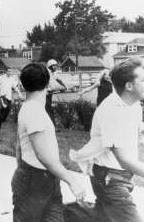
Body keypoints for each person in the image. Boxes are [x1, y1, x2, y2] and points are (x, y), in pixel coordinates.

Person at [69, 58, 144, 222]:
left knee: (102, 217)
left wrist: (140, 132)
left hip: (120, 176)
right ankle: (64, 212)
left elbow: (125, 140)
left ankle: (66, 213)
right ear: (129, 86)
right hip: (110, 179)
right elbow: (125, 160)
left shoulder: (135, 106)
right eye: (143, 80)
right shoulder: (111, 111)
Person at [11, 62, 86, 222]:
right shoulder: (35, 111)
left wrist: (21, 172)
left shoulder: (28, 107)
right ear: (47, 82)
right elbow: (43, 156)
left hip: (42, 178)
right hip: (35, 178)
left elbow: (19, 147)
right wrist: (73, 181)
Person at [46, 59, 67, 129]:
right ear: (50, 66)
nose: (56, 67)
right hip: (45, 94)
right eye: (54, 66)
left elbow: (58, 80)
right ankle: (52, 127)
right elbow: (53, 86)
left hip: (49, 94)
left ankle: (52, 127)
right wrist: (61, 88)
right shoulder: (47, 73)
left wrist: (64, 86)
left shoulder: (52, 73)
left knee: (49, 110)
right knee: (48, 110)